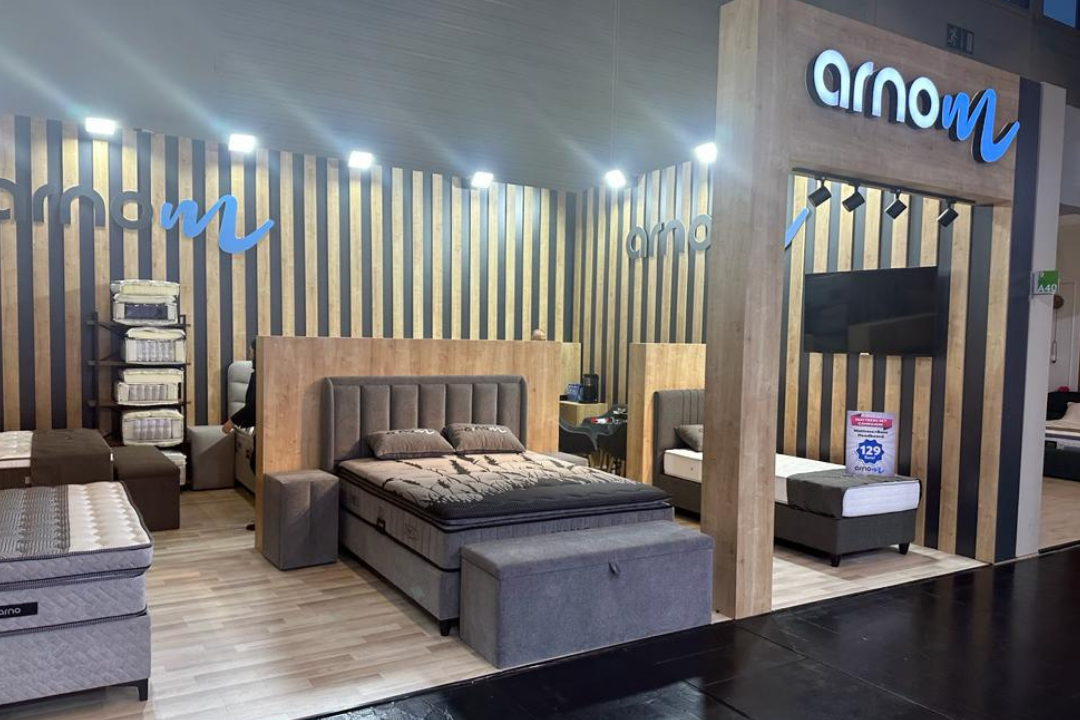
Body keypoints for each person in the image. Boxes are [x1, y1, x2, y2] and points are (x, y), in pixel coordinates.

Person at [223, 339, 257, 531]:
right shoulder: (259, 374)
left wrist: (232, 422)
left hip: (266, 428)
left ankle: (264, 518)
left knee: (258, 467)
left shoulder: (259, 376)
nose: (249, 355)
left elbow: (253, 407)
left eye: (251, 352)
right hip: (268, 426)